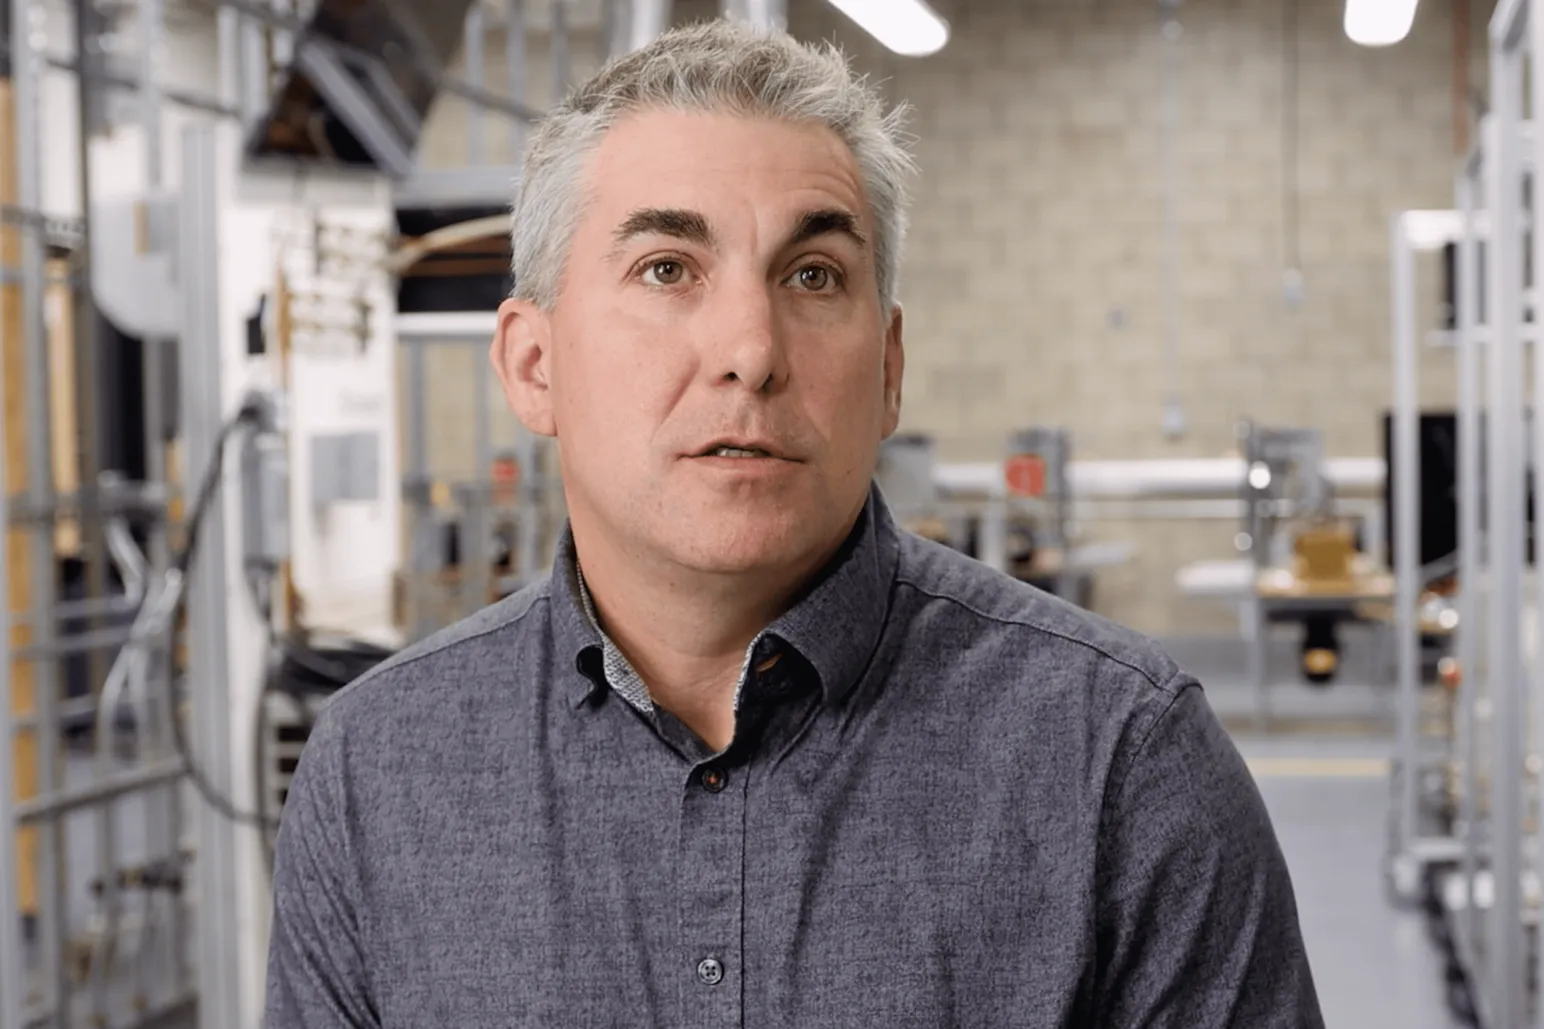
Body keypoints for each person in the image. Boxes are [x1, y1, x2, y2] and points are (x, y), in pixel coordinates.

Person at [265, 19, 1323, 1028]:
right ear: (532, 366)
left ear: (889, 370)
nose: (752, 351)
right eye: (667, 269)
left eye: (812, 276)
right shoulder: (376, 773)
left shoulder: (1121, 760)